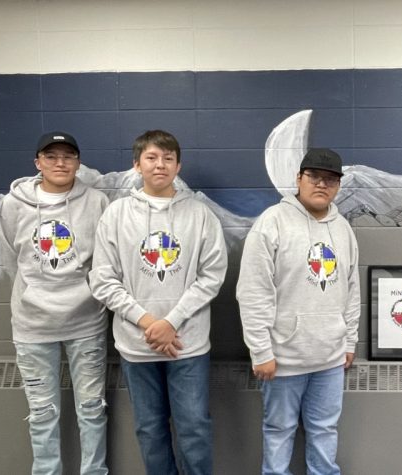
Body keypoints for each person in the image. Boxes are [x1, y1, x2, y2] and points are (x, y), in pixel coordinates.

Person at [89, 130, 227, 475]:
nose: (160, 165)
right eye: (151, 158)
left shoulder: (200, 215)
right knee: (150, 430)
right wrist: (149, 322)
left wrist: (171, 322)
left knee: (194, 427)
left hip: (188, 344)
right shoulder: (116, 215)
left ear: (178, 165)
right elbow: (102, 280)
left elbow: (211, 276)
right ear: (137, 165)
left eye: (168, 158)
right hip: (137, 345)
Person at [237, 148, 360, 475]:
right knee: (279, 432)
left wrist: (349, 342)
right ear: (298, 179)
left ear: (338, 186)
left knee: (324, 431)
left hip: (330, 358)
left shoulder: (343, 229)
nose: (322, 184)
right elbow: (252, 292)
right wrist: (261, 350)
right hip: (282, 359)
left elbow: (351, 289)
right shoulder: (272, 223)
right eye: (315, 177)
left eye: (331, 179)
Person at [0, 131, 110, 474]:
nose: (60, 163)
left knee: (91, 408)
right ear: (37, 163)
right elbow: (15, 253)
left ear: (78, 162)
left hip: (86, 321)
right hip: (33, 326)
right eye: (51, 156)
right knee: (43, 413)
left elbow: (103, 258)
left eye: (68, 156)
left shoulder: (96, 202)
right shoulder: (13, 204)